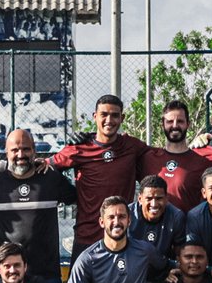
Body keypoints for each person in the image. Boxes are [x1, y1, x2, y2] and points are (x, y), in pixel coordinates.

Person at [48, 94, 149, 250]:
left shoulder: (132, 146)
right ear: (95, 117)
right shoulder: (79, 147)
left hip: (121, 238)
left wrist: (200, 141)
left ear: (122, 118)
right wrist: (68, 193)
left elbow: (163, 157)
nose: (109, 120)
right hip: (87, 237)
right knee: (78, 275)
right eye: (104, 115)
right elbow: (46, 167)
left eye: (115, 115)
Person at [0, 128, 76, 283]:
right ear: (6, 152)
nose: (20, 155)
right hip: (5, 277)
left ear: (34, 151)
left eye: (25, 149)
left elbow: (83, 199)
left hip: (46, 276)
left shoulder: (51, 179)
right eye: (14, 150)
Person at [140, 101, 208, 211]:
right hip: (154, 228)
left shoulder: (201, 162)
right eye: (170, 121)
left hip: (186, 227)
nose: (175, 125)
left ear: (188, 124)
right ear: (162, 124)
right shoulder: (148, 158)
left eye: (180, 121)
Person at [130, 176, 189, 260]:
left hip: (164, 267)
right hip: (133, 266)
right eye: (149, 198)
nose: (154, 204)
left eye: (159, 198)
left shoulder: (176, 217)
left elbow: (179, 255)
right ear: (140, 199)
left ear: (166, 198)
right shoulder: (127, 215)